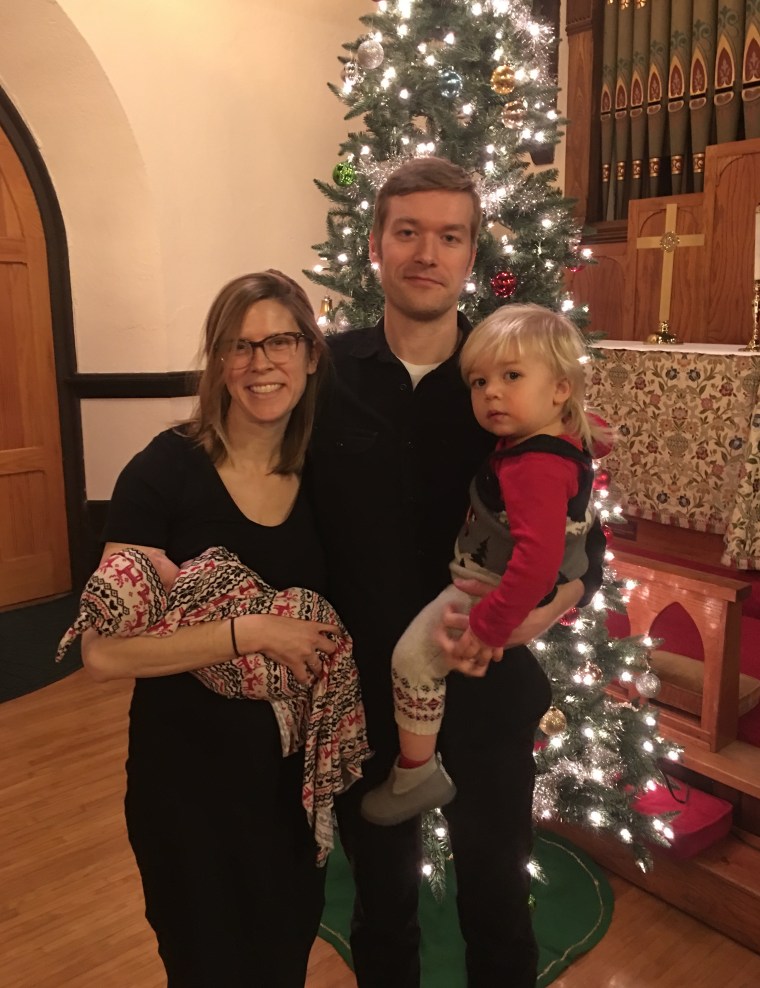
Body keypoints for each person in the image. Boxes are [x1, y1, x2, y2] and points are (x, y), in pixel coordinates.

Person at [307, 157, 606, 988]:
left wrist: (552, 608)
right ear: (375, 245)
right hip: (367, 691)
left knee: (498, 901)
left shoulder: (509, 375)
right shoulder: (323, 376)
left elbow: (584, 528)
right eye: (407, 233)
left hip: (489, 689)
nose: (426, 253)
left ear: (472, 254)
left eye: (449, 236)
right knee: (381, 903)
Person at [81, 270, 343, 988]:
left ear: (311, 354)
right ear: (219, 362)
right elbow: (102, 654)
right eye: (239, 345)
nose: (261, 364)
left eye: (280, 342)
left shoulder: (328, 471)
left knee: (281, 961)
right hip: (186, 789)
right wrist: (249, 632)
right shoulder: (166, 472)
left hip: (289, 789)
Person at [360, 304, 607, 826]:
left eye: (511, 377)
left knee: (413, 660)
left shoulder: (535, 465)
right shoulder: (547, 442)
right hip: (500, 581)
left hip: (491, 588)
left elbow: (538, 561)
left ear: (560, 389)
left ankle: (417, 772)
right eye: (478, 382)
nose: (491, 391)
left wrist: (486, 627)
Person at [60, 542, 369, 863]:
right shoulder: (159, 522)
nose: (154, 554)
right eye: (150, 561)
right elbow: (100, 656)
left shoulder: (304, 491)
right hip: (198, 794)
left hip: (281, 791)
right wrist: (252, 632)